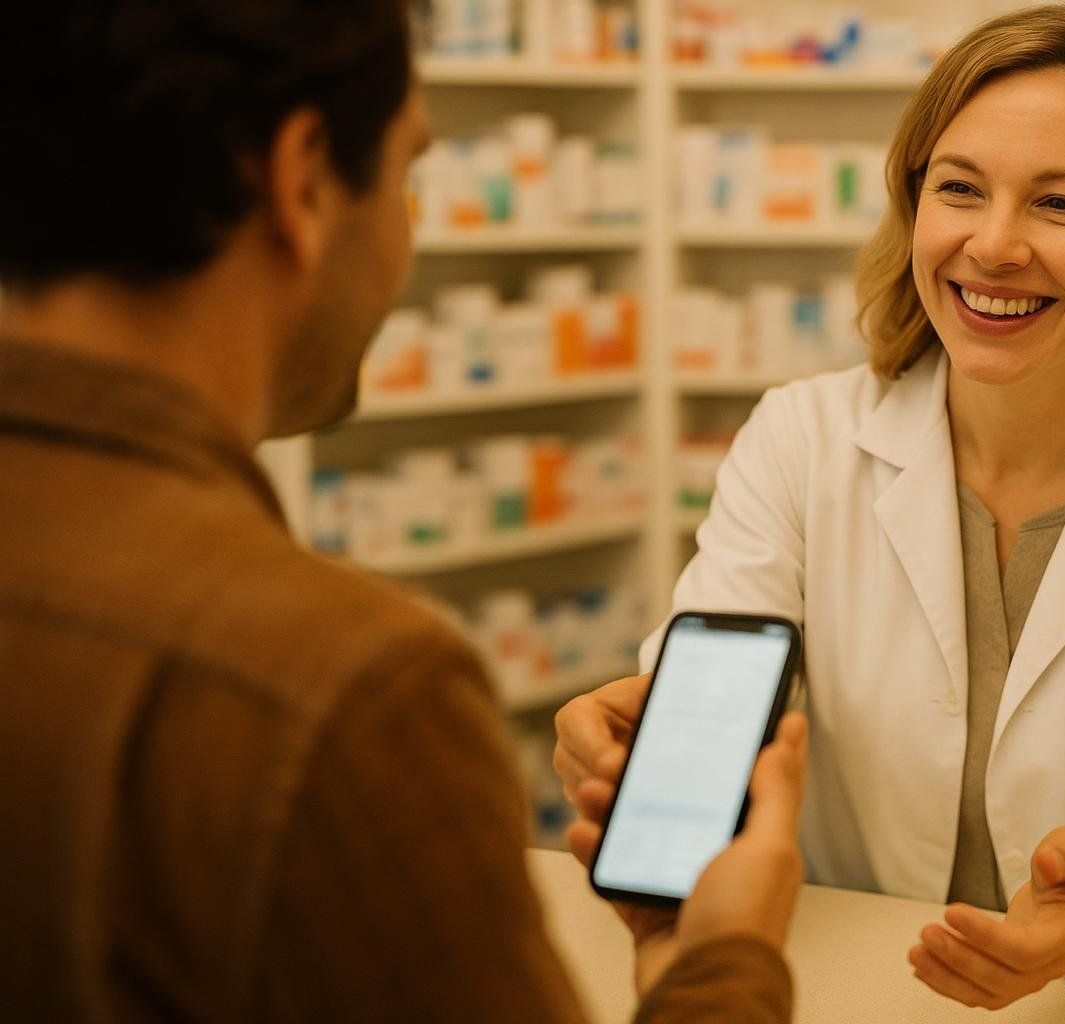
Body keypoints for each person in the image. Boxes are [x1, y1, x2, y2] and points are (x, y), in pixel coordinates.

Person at [554, 6, 1065, 1022]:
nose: (993, 245)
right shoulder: (800, 441)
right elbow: (713, 691)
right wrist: (641, 739)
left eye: (1060, 204)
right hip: (845, 990)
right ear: (914, 204)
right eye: (960, 189)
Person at [0, 3, 807, 1021]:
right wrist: (721, 958)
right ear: (301, 178)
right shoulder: (342, 689)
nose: (408, 231)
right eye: (409, 174)